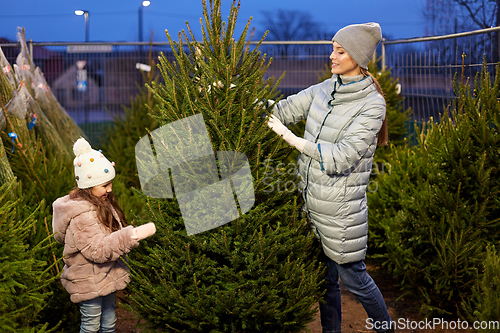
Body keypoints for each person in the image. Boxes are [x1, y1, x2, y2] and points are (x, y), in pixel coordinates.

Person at [267, 23, 393, 333]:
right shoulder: (325, 89)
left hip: (340, 214)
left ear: (357, 57)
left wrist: (293, 140)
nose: (331, 56)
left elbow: (342, 156)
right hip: (311, 205)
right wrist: (234, 93)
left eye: (339, 51)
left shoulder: (372, 105)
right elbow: (282, 111)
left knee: (356, 279)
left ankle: (386, 329)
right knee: (325, 281)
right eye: (332, 49)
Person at [52, 137, 157, 333]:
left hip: (107, 275)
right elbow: (97, 250)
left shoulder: (101, 202)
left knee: (109, 322)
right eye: (105, 185)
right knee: (91, 326)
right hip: (88, 281)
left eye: (110, 184)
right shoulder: (82, 215)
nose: (109, 189)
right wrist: (130, 236)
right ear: (89, 185)